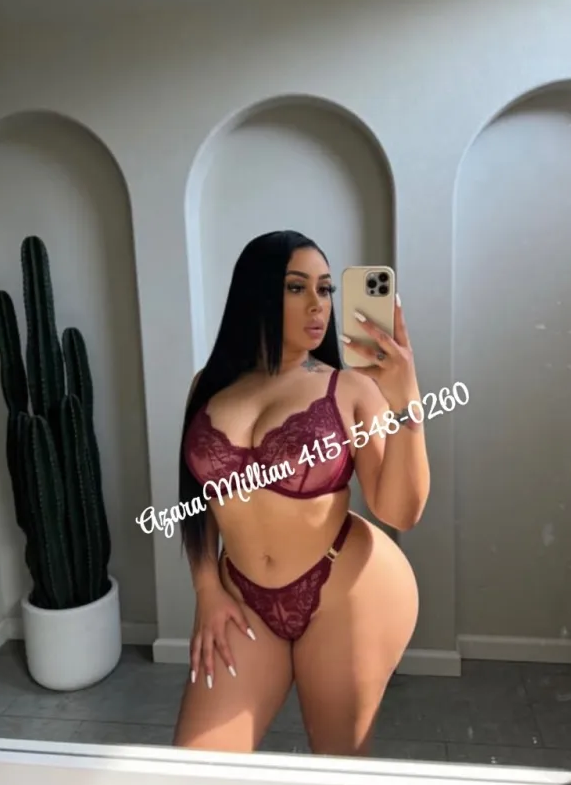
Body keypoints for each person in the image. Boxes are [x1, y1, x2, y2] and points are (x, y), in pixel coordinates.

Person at [172, 230, 430, 757]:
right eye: (297, 288)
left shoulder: (351, 389)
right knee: (194, 769)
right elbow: (196, 500)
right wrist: (206, 590)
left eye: (326, 289)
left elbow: (399, 511)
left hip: (347, 591)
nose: (318, 304)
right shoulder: (207, 385)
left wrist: (406, 398)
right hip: (241, 595)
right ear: (258, 293)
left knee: (338, 769)